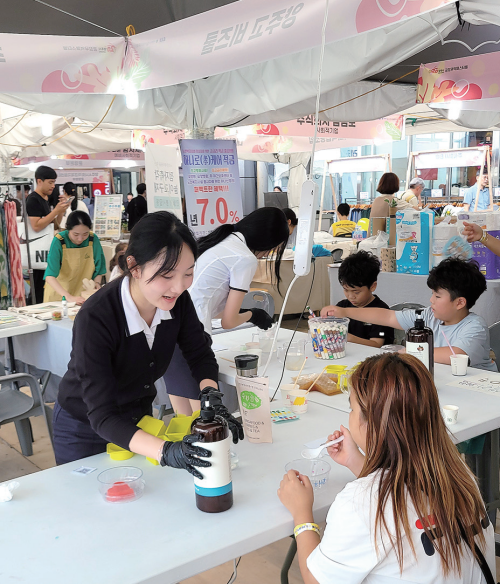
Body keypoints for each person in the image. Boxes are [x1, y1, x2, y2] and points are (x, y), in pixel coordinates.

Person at [278, 353, 495, 583]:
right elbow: (407, 496)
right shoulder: (457, 473)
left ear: (372, 424)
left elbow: (315, 579)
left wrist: (302, 514)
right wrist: (356, 460)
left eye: (351, 409)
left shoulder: (359, 504)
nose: (349, 417)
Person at [53, 211, 243, 467]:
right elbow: (101, 415)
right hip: (83, 427)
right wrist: (166, 452)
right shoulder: (97, 316)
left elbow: (199, 353)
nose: (179, 287)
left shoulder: (176, 301)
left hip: (137, 422)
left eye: (188, 273)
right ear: (134, 266)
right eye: (167, 275)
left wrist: (210, 396)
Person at [164, 207, 289, 414]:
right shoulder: (244, 258)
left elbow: (212, 303)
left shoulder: (223, 241)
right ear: (269, 243)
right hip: (191, 335)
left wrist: (247, 312)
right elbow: (228, 322)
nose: (271, 253)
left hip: (168, 328)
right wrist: (254, 314)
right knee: (204, 420)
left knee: (183, 420)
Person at [321, 257, 496, 371]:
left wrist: (411, 351)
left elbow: (457, 354)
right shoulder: (429, 315)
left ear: (460, 303)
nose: (431, 300)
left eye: (437, 296)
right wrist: (343, 312)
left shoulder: (475, 326)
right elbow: (388, 317)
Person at [26, 166, 69, 304]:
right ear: (39, 181)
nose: (53, 186)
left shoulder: (45, 199)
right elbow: (36, 226)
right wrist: (56, 210)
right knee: (38, 287)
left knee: (44, 286)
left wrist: (61, 209)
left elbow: (54, 225)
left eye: (54, 182)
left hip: (45, 249)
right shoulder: (33, 199)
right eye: (50, 182)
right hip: (36, 251)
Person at [332, 251, 394, 347]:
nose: (350, 296)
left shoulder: (381, 311)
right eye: (346, 290)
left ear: (372, 286)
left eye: (356, 292)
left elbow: (377, 345)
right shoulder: (342, 306)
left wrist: (348, 338)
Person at [43, 211, 106, 304]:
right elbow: (50, 276)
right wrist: (68, 297)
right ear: (68, 229)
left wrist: (96, 283)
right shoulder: (59, 241)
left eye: (85, 234)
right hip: (59, 294)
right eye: (75, 234)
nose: (80, 239)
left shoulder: (93, 239)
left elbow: (99, 266)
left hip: (83, 295)